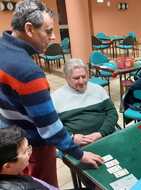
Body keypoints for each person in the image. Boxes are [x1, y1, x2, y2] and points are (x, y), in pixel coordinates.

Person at [0, 0, 102, 187]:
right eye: (48, 31)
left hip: (9, 138)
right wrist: (79, 153)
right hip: (33, 147)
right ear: (29, 29)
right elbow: (50, 129)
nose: (54, 36)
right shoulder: (28, 72)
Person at [52, 58, 118, 146]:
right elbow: (53, 126)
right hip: (76, 145)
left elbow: (112, 113)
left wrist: (101, 133)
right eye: (76, 78)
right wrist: (71, 137)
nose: (81, 81)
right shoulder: (55, 97)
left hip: (105, 137)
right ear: (67, 78)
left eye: (84, 77)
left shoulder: (98, 89)